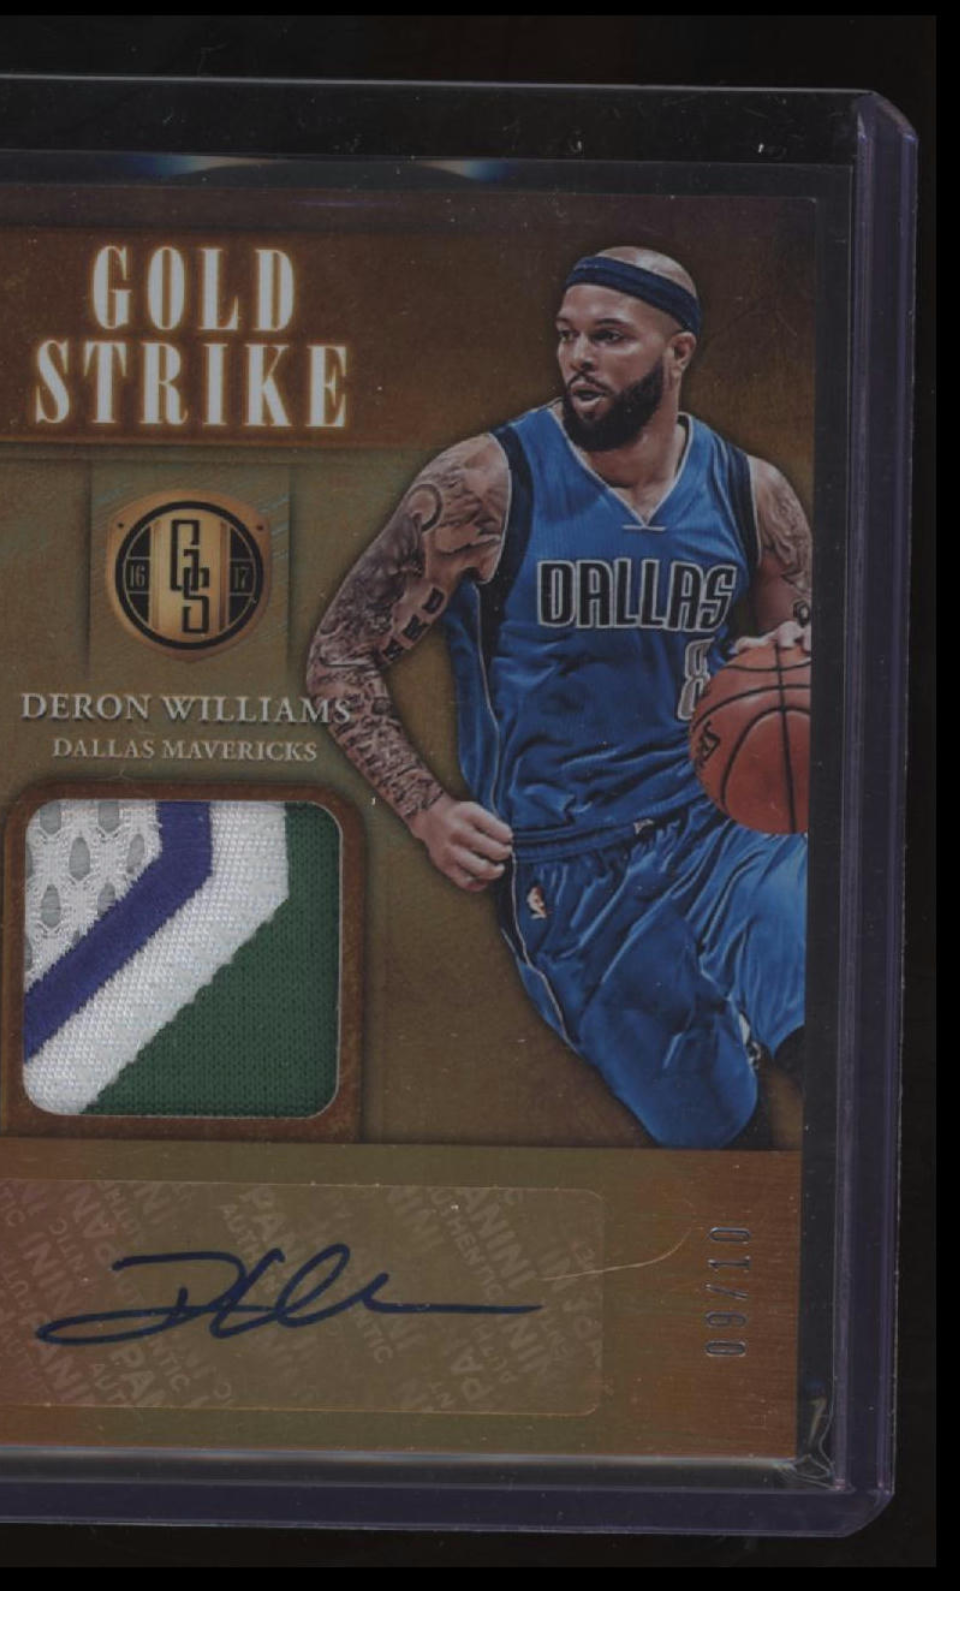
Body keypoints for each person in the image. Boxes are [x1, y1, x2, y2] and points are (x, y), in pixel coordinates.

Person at [306, 247, 810, 1149]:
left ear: (678, 352)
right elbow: (340, 655)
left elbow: (808, 665)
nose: (578, 356)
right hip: (572, 866)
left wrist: (792, 665)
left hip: (720, 824)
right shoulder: (482, 485)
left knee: (834, 1035)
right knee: (721, 1136)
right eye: (566, 335)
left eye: (608, 337)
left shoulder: (751, 493)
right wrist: (424, 809)